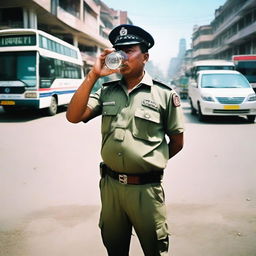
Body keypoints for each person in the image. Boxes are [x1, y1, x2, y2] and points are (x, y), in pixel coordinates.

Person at [66, 24, 184, 256]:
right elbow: (73, 116)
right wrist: (93, 75)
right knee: (114, 247)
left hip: (146, 190)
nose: (121, 56)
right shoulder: (106, 91)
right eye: (118, 51)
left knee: (154, 249)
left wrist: (148, 161)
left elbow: (177, 142)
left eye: (129, 50)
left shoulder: (164, 95)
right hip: (110, 189)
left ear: (145, 57)